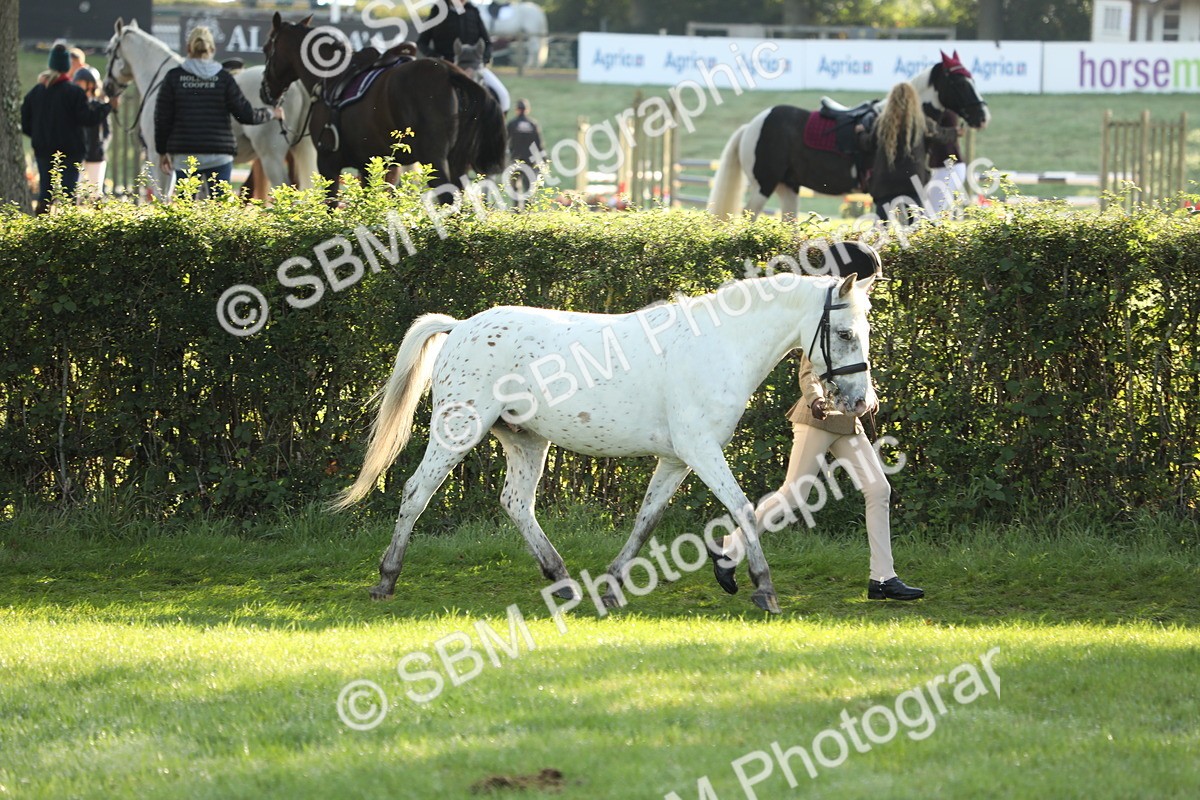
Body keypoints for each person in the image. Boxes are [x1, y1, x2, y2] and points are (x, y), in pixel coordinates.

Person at [711, 241, 924, 602]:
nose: (873, 286)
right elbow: (809, 371)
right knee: (793, 495)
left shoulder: (849, 312)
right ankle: (730, 548)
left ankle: (883, 578)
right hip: (818, 419)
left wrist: (868, 396)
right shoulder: (826, 315)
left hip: (845, 421)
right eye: (871, 279)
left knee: (878, 490)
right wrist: (817, 400)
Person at [154, 26, 283, 199]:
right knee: (219, 214)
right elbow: (244, 114)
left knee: (186, 215)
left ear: (188, 49)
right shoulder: (224, 79)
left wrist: (162, 151)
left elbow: (162, 118)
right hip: (219, 157)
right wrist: (271, 113)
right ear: (212, 49)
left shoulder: (173, 78)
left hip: (185, 156)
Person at [20, 44, 114, 213]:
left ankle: (41, 232)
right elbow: (88, 119)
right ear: (66, 67)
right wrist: (107, 107)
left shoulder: (36, 92)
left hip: (43, 150)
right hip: (70, 150)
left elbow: (25, 122)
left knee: (45, 195)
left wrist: (38, 136)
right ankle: (66, 231)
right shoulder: (74, 92)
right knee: (69, 195)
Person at [859, 82, 956, 224]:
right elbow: (940, 135)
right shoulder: (921, 123)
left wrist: (860, 132)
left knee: (880, 228)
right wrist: (955, 132)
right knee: (916, 229)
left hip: (885, 182)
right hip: (912, 182)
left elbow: (868, 144)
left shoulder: (882, 122)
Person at [417, 0, 510, 113]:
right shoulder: (438, 11)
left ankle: (499, 128)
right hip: (447, 65)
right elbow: (422, 42)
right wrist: (437, 57)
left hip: (475, 65)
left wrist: (484, 59)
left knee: (503, 96)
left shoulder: (473, 11)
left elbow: (487, 42)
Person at [73, 69, 110, 197]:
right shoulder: (75, 105)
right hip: (78, 152)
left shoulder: (98, 106)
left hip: (95, 153)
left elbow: (106, 131)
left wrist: (101, 145)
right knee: (75, 191)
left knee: (96, 192)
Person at [927, 108, 966, 215]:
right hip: (946, 167)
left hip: (947, 167)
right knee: (931, 213)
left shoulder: (941, 111)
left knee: (931, 215)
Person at [506, 98, 543, 207]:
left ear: (517, 110)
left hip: (515, 159)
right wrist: (542, 160)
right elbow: (539, 144)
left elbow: (506, 141)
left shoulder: (512, 124)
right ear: (527, 110)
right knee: (529, 186)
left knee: (515, 186)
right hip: (530, 160)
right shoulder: (532, 124)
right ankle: (527, 210)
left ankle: (516, 208)